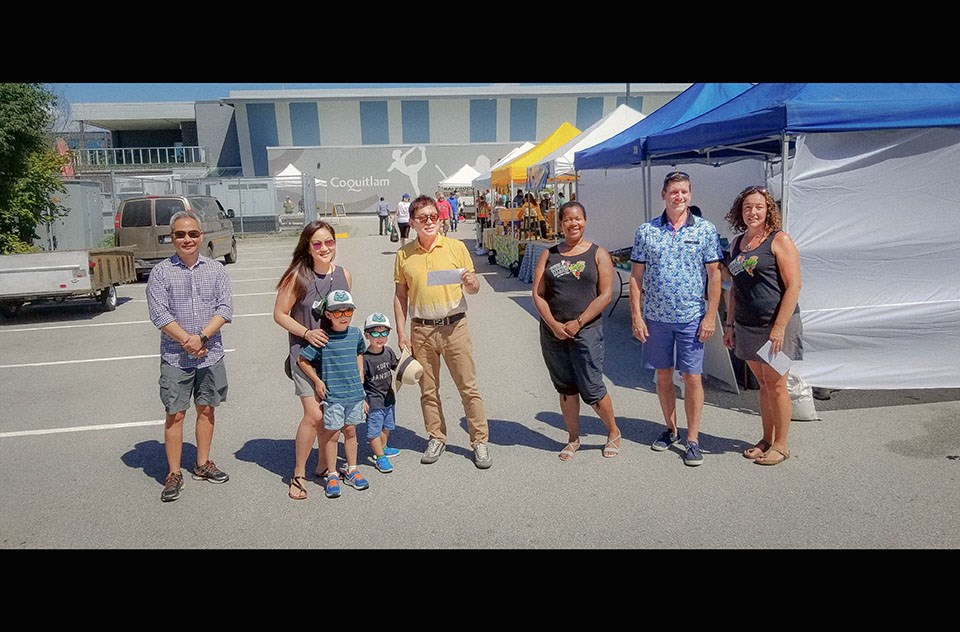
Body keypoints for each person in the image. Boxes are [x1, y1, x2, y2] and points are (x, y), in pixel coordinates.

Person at [628, 171, 722, 467]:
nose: (678, 197)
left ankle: (693, 439)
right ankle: (671, 429)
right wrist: (636, 316)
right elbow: (635, 276)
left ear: (690, 194)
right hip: (656, 318)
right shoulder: (647, 231)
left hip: (692, 317)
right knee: (664, 375)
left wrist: (710, 316)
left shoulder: (705, 230)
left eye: (683, 192)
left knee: (692, 377)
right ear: (663, 195)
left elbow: (714, 275)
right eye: (673, 192)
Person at [393, 194, 492, 469]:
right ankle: (436, 437)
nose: (429, 222)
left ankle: (479, 441)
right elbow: (400, 296)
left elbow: (473, 287)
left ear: (440, 218)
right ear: (412, 222)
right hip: (421, 330)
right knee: (428, 390)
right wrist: (401, 333)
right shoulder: (404, 254)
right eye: (422, 218)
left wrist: (472, 282)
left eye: (433, 217)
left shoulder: (456, 247)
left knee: (468, 388)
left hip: (454, 326)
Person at [147, 210, 233, 502]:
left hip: (210, 354)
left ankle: (202, 463)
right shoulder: (160, 273)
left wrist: (202, 338)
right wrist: (187, 340)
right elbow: (159, 314)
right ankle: (173, 473)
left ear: (201, 236)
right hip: (175, 356)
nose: (187, 239)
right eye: (180, 234)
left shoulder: (216, 270)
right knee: (176, 413)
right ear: (172, 238)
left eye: (193, 233)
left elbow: (224, 309)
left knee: (207, 408)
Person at [532, 201, 622, 461]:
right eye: (568, 219)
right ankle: (573, 439)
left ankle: (613, 432)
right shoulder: (548, 255)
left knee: (592, 386)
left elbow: (605, 294)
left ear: (585, 221)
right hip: (553, 332)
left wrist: (579, 322)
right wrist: (553, 324)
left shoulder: (598, 253)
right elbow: (538, 294)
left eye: (578, 218)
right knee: (565, 387)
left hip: (586, 330)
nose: (573, 223)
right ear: (560, 223)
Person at [722, 185, 802, 466]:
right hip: (746, 325)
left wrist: (779, 327)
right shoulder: (737, 244)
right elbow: (733, 289)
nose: (753, 212)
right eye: (747, 207)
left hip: (776, 326)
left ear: (769, 210)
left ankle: (781, 445)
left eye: (758, 207)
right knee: (764, 385)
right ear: (739, 211)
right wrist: (729, 325)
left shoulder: (780, 240)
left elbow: (793, 286)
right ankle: (767, 438)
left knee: (778, 385)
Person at [273, 220, 353, 500]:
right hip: (304, 357)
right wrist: (306, 332)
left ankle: (323, 463)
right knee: (314, 414)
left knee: (330, 412)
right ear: (307, 247)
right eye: (317, 243)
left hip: (333, 358)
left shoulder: (344, 274)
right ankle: (298, 474)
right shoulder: (297, 276)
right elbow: (280, 314)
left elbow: (345, 313)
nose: (324, 248)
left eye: (328, 242)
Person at [298, 289, 370, 498]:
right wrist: (317, 381)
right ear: (328, 314)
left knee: (351, 432)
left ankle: (352, 470)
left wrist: (360, 378)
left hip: (355, 395)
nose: (344, 317)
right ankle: (331, 473)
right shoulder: (324, 338)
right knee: (332, 434)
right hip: (333, 396)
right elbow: (303, 360)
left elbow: (359, 352)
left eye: (348, 312)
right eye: (337, 313)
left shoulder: (356, 334)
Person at [361, 312, 401, 473]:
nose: (380, 337)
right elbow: (360, 380)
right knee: (374, 431)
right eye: (375, 333)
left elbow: (396, 367)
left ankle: (383, 447)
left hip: (389, 399)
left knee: (388, 426)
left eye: (384, 332)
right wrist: (362, 399)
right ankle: (379, 457)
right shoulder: (364, 358)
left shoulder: (388, 351)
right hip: (374, 401)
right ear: (366, 335)